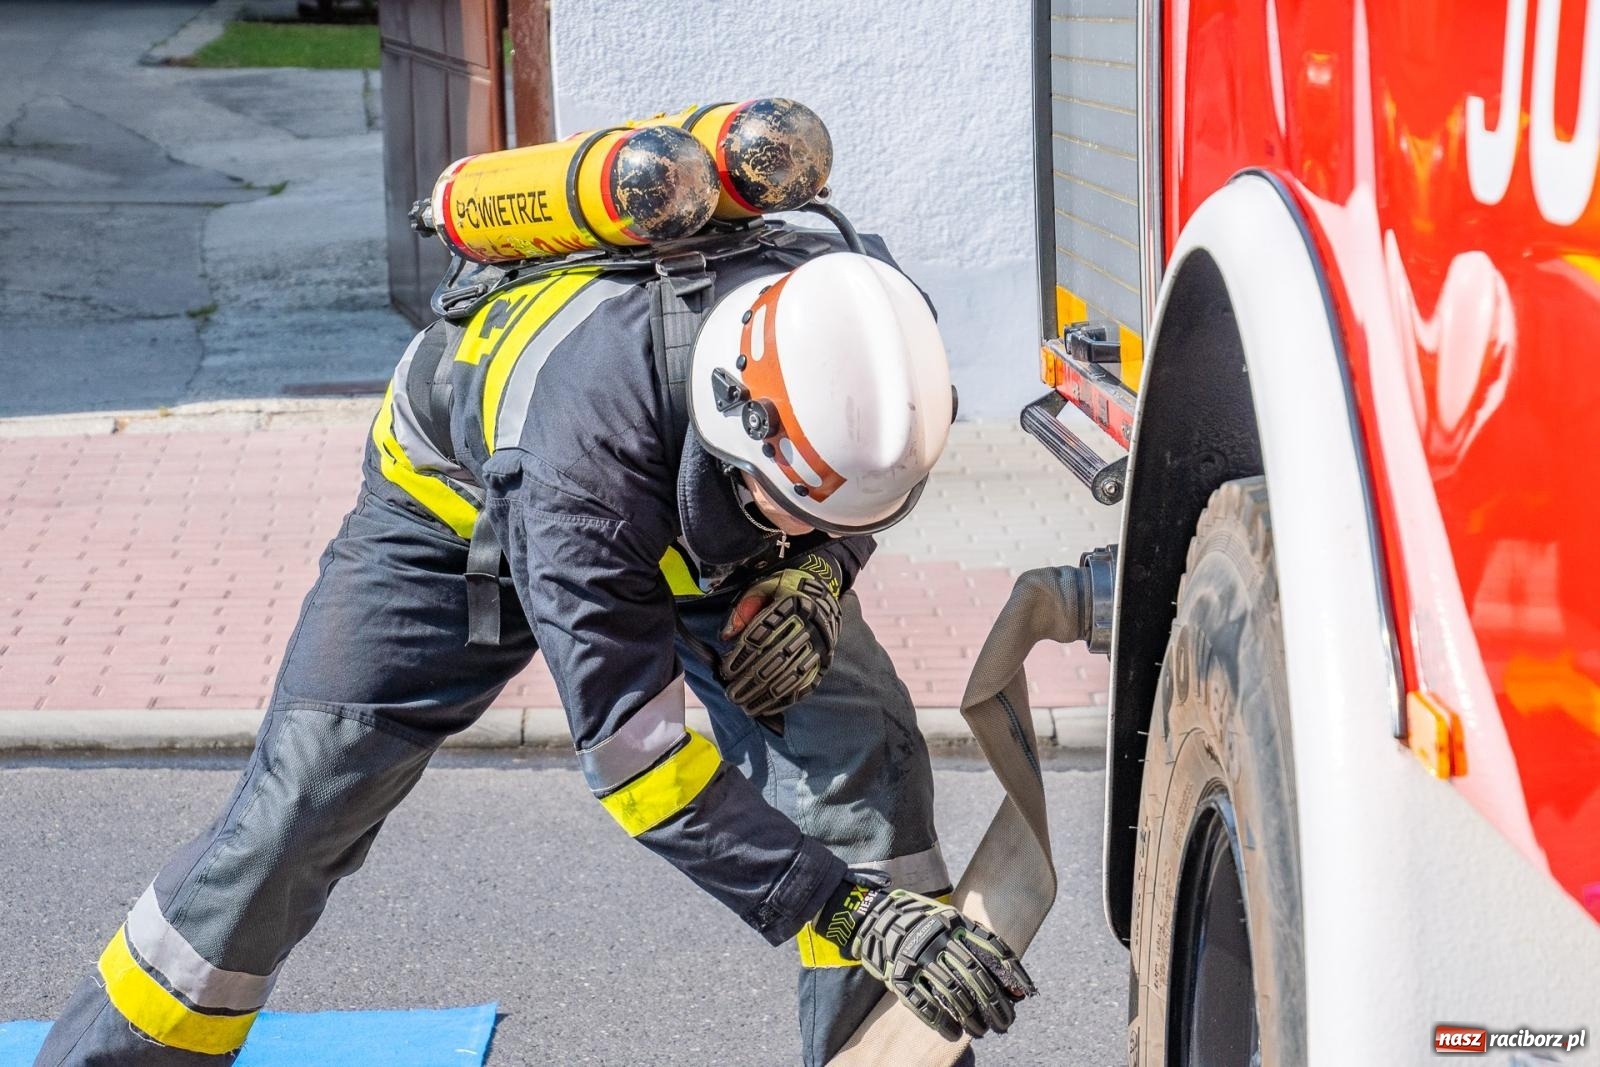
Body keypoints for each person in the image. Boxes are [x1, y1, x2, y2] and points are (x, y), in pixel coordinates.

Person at [34, 229, 1033, 1067]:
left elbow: (848, 489)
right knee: (298, 807)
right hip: (451, 520)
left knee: (861, 755)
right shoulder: (580, 476)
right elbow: (638, 766)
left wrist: (819, 570)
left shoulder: (856, 336)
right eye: (793, 514)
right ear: (742, 421)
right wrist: (844, 910)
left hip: (692, 496)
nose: (798, 531)